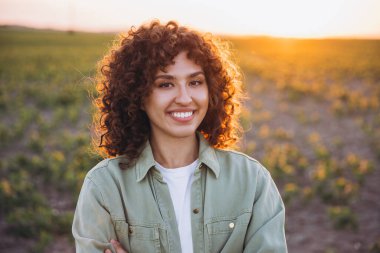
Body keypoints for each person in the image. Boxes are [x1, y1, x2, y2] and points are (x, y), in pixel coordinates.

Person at [72, 20, 287, 253]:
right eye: (166, 84)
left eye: (195, 82)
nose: (184, 98)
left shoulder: (252, 181)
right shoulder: (104, 187)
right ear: (138, 95)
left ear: (210, 90)